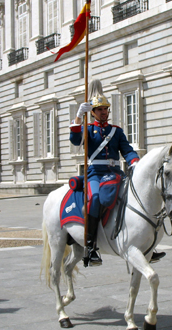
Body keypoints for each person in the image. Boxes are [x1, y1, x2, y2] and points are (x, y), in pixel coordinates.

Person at [70, 79, 165, 266]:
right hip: (95, 173)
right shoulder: (88, 130)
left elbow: (127, 150)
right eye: (99, 110)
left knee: (132, 196)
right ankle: (91, 247)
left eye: (105, 109)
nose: (103, 112)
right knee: (96, 198)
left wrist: (135, 162)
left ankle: (146, 244)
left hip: (115, 172)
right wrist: (78, 117)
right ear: (94, 113)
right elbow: (74, 140)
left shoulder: (116, 131)